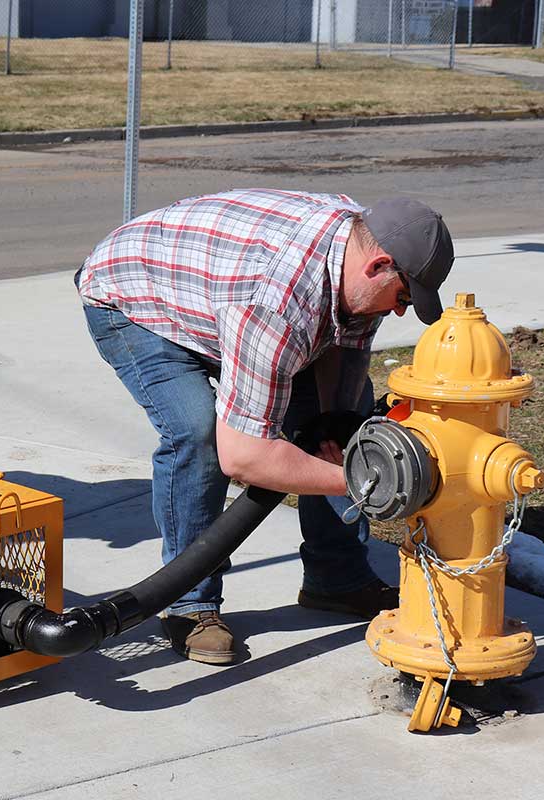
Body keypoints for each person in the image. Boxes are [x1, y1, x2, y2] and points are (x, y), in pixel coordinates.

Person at [75, 189, 454, 664]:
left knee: (348, 416)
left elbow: (343, 363)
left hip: (216, 294)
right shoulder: (277, 301)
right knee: (198, 435)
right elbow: (245, 456)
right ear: (377, 266)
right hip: (135, 300)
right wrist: (358, 481)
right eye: (402, 297)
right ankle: (190, 605)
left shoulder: (358, 253)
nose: (400, 311)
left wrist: (337, 430)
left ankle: (337, 580)